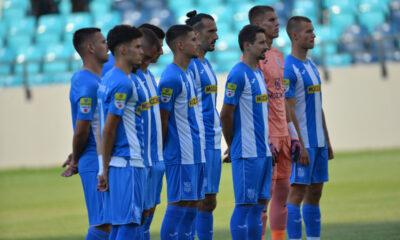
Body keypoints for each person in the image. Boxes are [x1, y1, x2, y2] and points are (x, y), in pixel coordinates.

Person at [247, 6, 301, 240]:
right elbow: (249, 105)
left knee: (283, 195)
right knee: (262, 199)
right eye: (271, 20)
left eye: (277, 19)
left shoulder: (278, 54)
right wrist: (263, 137)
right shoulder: (251, 59)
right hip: (265, 137)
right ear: (258, 25)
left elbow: (284, 100)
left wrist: (293, 134)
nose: (277, 24)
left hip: (284, 135)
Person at [220, 24, 272, 240]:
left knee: (258, 208)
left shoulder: (258, 73)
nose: (267, 47)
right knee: (244, 206)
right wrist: (233, 145)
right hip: (247, 152)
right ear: (247, 45)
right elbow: (225, 114)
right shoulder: (238, 74)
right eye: (261, 43)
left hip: (263, 152)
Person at [284, 16, 334, 240]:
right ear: (295, 36)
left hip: (319, 142)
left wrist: (328, 141)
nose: (313, 35)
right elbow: (289, 109)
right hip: (304, 143)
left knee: (315, 193)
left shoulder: (311, 65)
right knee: (296, 194)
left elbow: (318, 107)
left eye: (313, 30)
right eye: (308, 31)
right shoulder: (288, 68)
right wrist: (299, 144)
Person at [96, 25, 145, 240]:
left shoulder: (107, 79)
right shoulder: (123, 82)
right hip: (127, 161)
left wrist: (103, 167)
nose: (141, 52)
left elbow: (101, 128)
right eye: (137, 47)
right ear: (123, 49)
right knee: (129, 224)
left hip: (117, 163)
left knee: (118, 225)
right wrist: (104, 169)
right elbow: (109, 130)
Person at [61, 27, 110, 240]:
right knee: (103, 224)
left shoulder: (97, 80)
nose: (107, 46)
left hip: (101, 159)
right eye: (103, 42)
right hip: (94, 161)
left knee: (111, 222)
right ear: (90, 47)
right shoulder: (86, 82)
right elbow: (82, 129)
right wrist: (76, 159)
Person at [158, 24, 205, 240]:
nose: (198, 43)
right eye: (194, 39)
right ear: (180, 44)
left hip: (195, 152)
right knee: (178, 203)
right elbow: (162, 120)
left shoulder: (187, 73)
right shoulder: (170, 78)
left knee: (193, 203)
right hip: (180, 154)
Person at [185, 10, 221, 240]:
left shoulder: (206, 64)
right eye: (211, 31)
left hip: (213, 141)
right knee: (193, 202)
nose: (216, 36)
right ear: (196, 35)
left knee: (208, 201)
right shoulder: (188, 67)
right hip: (197, 144)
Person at [135, 27, 165, 240]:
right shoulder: (129, 78)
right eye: (159, 46)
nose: (162, 51)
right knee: (134, 218)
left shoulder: (149, 76)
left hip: (155, 157)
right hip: (139, 160)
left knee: (148, 214)